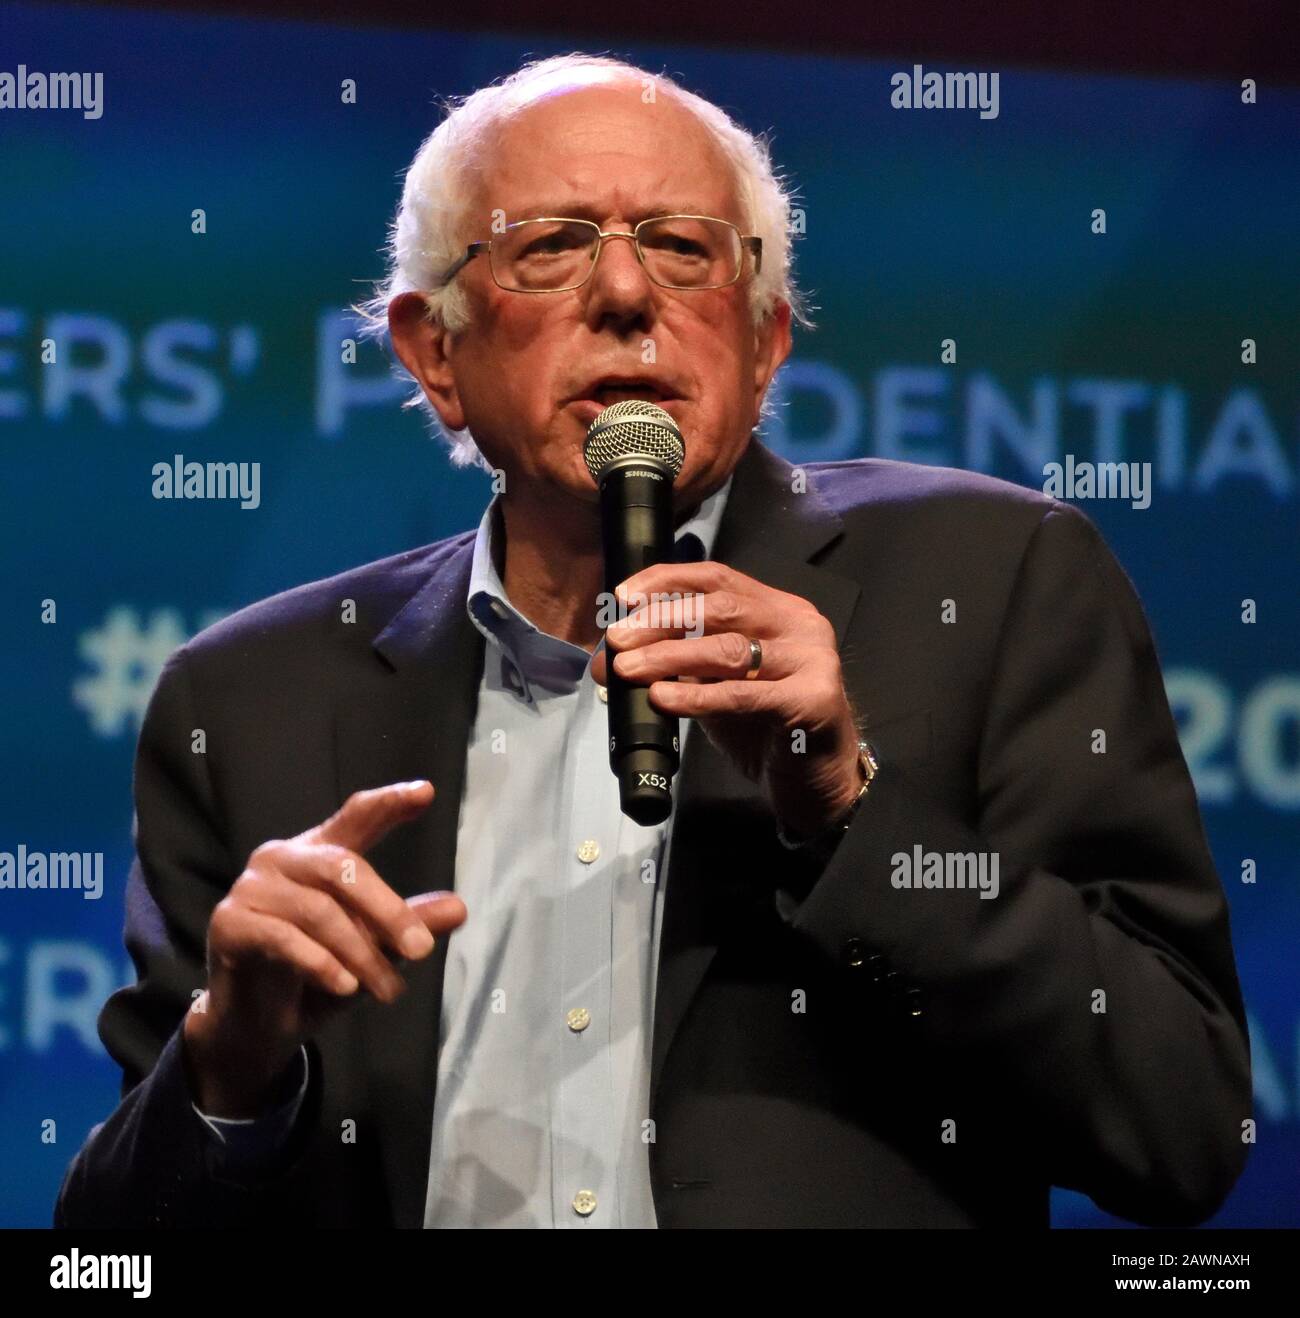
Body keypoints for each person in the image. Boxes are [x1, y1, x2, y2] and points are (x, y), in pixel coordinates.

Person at [54, 53, 1250, 1229]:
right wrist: (233, 1065)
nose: (626, 295)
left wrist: (847, 812)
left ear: (767, 338)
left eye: (684, 249)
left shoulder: (998, 585)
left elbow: (1183, 1125)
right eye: (551, 245)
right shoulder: (246, 696)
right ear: (434, 353)